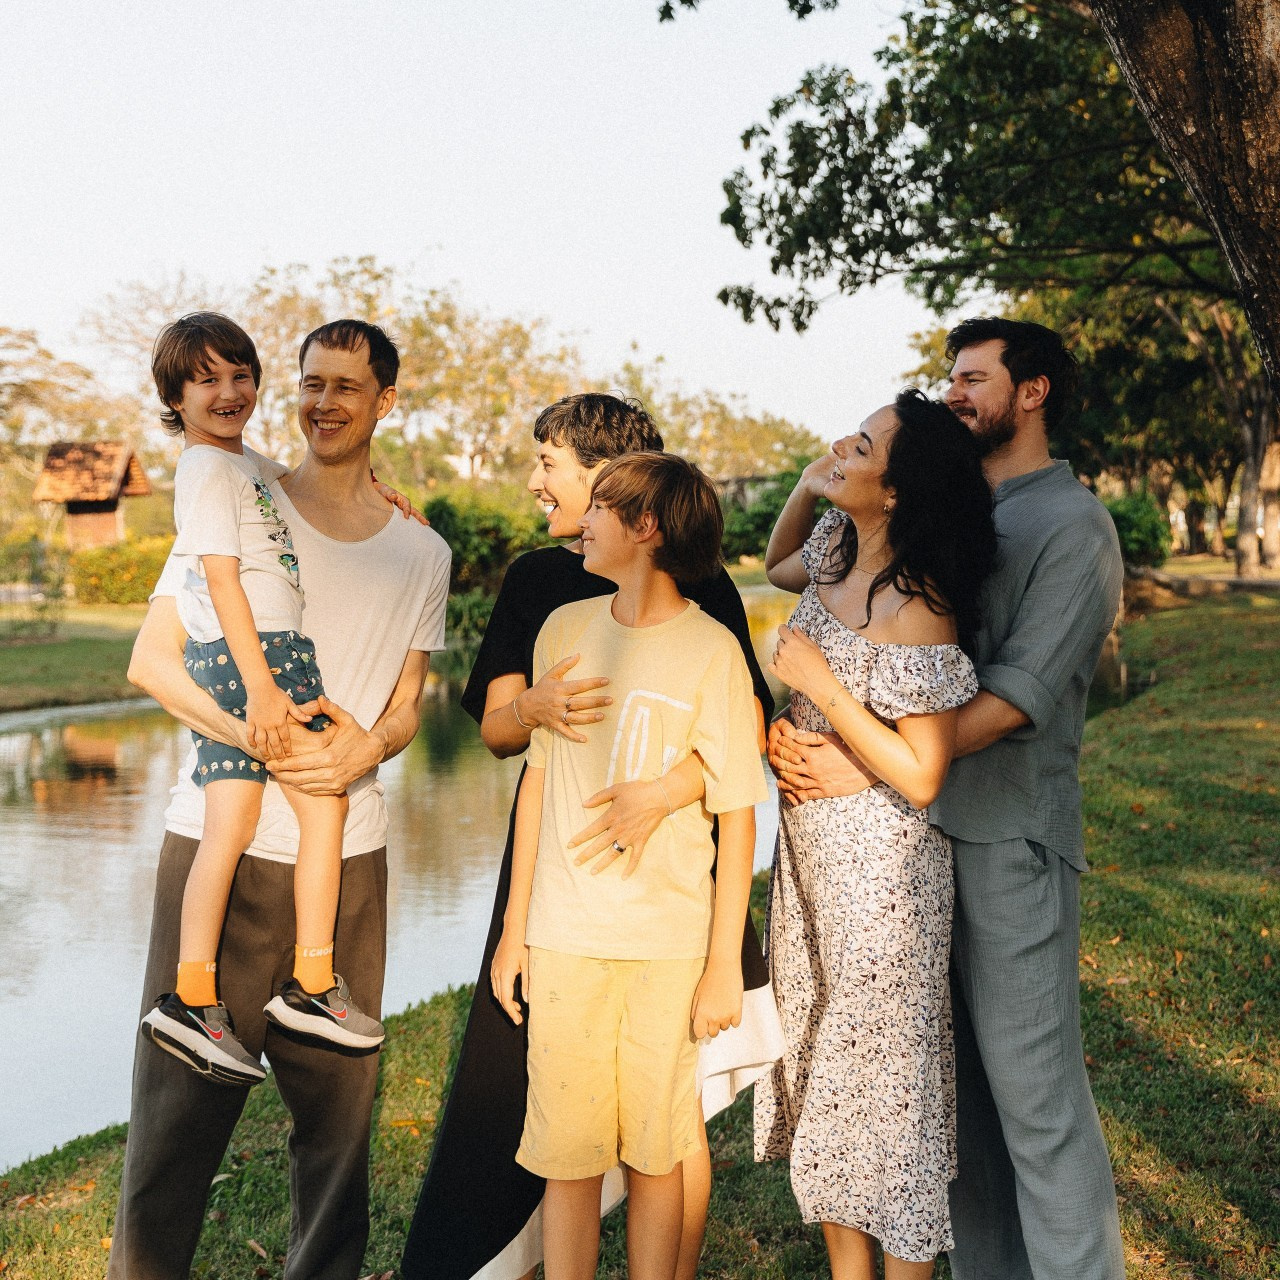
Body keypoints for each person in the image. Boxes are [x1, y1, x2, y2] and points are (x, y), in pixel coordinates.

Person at [768, 318, 1126, 1280]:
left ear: (1035, 390)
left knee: (1036, 1104)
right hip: (904, 846)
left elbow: (1015, 697)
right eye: (950, 380)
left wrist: (858, 758)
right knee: (947, 1108)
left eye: (974, 378)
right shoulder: (946, 508)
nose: (956, 394)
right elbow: (809, 575)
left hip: (1005, 838)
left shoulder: (1075, 527)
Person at [402, 393, 781, 1280]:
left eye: (551, 464)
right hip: (564, 901)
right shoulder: (545, 594)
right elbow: (510, 740)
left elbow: (736, 748)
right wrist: (530, 709)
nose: (536, 481)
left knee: (667, 1122)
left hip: (669, 903)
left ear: (614, 488)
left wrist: (660, 793)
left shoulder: (705, 602)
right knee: (553, 1117)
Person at [108, 319, 452, 1280]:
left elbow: (406, 711)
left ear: (386, 401)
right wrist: (266, 748)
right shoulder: (239, 501)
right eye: (310, 383)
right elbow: (152, 663)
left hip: (347, 855)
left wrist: (358, 754)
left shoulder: (423, 552)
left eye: (347, 387)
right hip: (219, 837)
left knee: (337, 1139)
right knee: (172, 1132)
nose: (322, 403)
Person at [490, 450, 767, 1280]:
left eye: (602, 507)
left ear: (646, 528)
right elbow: (537, 784)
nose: (583, 519)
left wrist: (723, 967)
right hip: (567, 939)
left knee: (655, 1153)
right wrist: (516, 934)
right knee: (567, 1156)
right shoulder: (563, 631)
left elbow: (737, 815)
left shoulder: (713, 650)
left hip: (666, 949)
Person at [755, 389, 996, 1279]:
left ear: (896, 490)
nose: (840, 446)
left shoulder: (918, 605)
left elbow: (923, 772)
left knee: (888, 1107)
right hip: (811, 866)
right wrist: (812, 486)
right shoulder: (835, 553)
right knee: (827, 1080)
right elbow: (778, 560)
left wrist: (820, 684)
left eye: (861, 445)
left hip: (884, 883)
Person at [138, 312, 380, 1089]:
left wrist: (380, 491)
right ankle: (310, 984)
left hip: (246, 657)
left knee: (231, 823)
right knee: (325, 804)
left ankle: (194, 996)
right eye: (206, 380)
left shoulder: (241, 466)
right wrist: (266, 685)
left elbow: (300, 477)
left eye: (240, 374)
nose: (230, 391)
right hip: (259, 655)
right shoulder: (206, 473)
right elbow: (218, 579)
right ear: (175, 397)